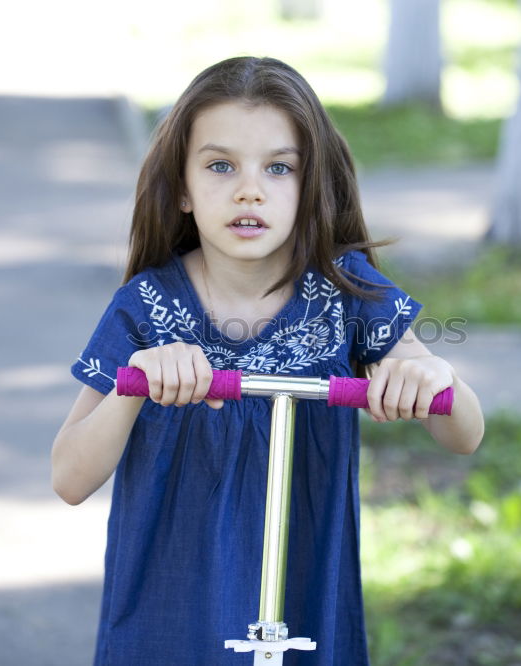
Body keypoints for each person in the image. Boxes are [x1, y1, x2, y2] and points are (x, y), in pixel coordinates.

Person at [51, 56, 484, 665]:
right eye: (220, 165)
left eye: (278, 168)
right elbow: (69, 478)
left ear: (312, 187)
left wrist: (432, 376)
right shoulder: (146, 307)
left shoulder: (344, 292)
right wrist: (134, 386)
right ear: (181, 187)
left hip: (301, 584)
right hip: (170, 602)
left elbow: (462, 432)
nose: (248, 189)